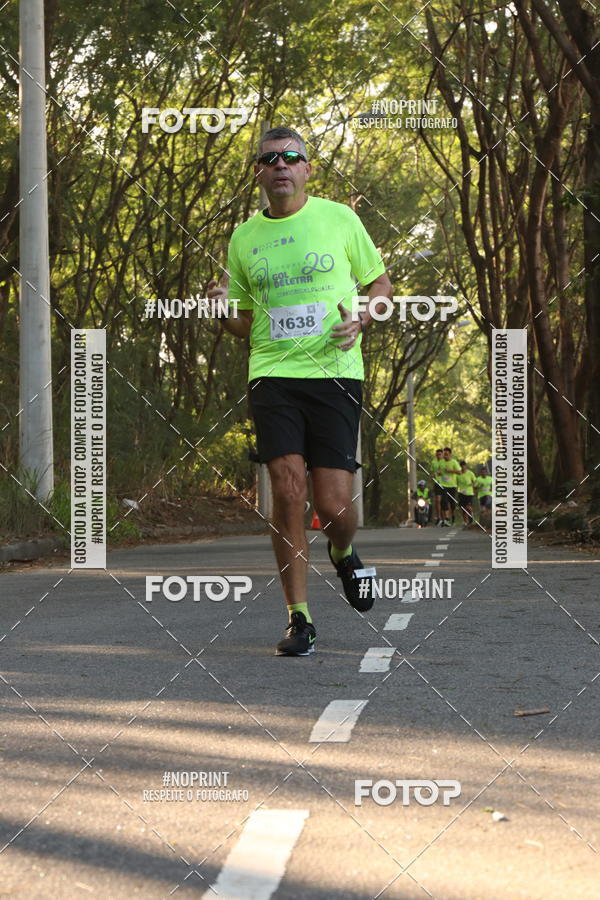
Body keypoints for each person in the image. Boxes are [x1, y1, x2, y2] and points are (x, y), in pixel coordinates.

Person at [208, 126, 393, 656]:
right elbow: (242, 324)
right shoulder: (244, 237)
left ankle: (344, 551)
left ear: (307, 168)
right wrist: (223, 312)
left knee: (334, 507)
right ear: (260, 174)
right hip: (272, 373)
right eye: (270, 160)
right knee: (288, 491)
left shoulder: (339, 218)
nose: (281, 165)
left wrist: (365, 314)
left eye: (291, 157)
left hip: (335, 371)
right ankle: (299, 618)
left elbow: (380, 285)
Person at [439, 446, 461, 526]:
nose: (445, 456)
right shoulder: (441, 462)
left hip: (452, 485)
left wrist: (451, 470)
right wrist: (438, 472)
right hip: (443, 485)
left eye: (447, 454)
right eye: (444, 454)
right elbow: (438, 470)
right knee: (444, 501)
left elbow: (459, 472)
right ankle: (447, 519)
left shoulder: (454, 462)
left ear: (450, 454)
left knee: (452, 504)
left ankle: (453, 517)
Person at [456, 460, 476, 526]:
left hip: (469, 493)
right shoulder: (458, 474)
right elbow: (456, 483)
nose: (463, 467)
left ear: (466, 466)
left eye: (464, 466)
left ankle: (471, 517)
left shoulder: (470, 473)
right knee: (463, 508)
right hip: (461, 493)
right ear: (460, 466)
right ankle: (465, 522)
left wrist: (472, 484)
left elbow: (475, 481)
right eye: (461, 466)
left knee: (468, 506)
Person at [431, 448, 444, 525]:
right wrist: (432, 475)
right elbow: (432, 472)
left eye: (440, 454)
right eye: (437, 455)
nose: (438, 456)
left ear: (442, 454)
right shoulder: (433, 462)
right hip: (437, 483)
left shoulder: (445, 462)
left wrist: (441, 473)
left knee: (445, 502)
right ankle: (439, 517)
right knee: (437, 501)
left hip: (446, 484)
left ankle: (446, 518)